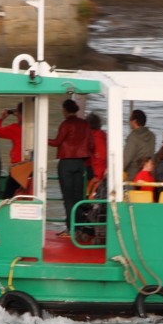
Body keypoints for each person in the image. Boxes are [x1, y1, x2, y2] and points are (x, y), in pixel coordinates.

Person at [48, 99, 92, 231]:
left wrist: (42, 138)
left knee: (68, 198)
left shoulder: (66, 124)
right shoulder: (85, 124)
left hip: (66, 163)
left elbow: (57, 142)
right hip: (80, 163)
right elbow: (91, 145)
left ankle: (70, 228)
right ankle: (79, 226)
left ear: (65, 110)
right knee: (78, 196)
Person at [0, 102, 23, 198]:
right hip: (32, 167)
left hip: (17, 167)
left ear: (18, 114)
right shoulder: (37, 128)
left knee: (8, 196)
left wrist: (1, 118)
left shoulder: (15, 128)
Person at [123, 109, 156, 180]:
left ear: (134, 121)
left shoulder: (133, 137)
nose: (129, 122)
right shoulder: (152, 135)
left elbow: (127, 158)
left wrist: (116, 171)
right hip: (148, 175)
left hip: (134, 176)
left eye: (130, 119)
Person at [86, 112, 107, 184]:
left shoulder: (97, 138)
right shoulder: (100, 135)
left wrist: (98, 177)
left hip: (96, 173)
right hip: (97, 170)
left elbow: (101, 158)